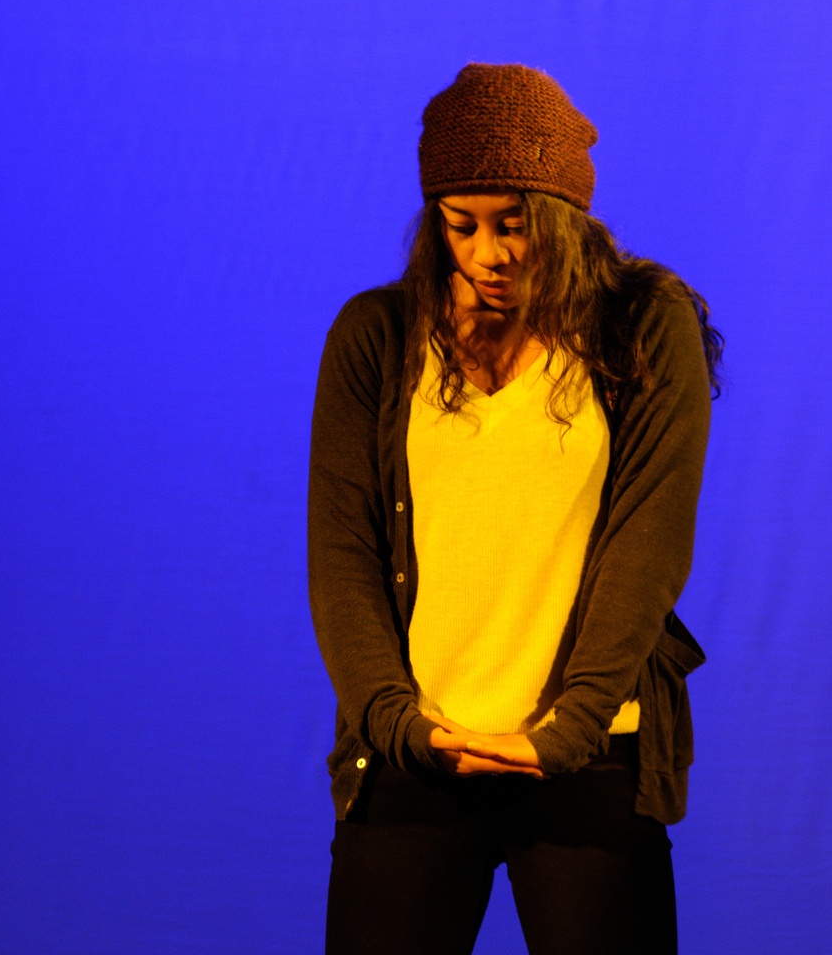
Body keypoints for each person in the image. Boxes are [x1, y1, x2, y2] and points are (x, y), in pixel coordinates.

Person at [308, 63, 722, 955]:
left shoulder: (642, 326)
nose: (489, 252)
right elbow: (341, 557)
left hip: (591, 753)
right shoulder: (376, 337)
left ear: (565, 217)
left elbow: (650, 544)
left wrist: (568, 731)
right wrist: (398, 723)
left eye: (515, 223)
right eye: (462, 224)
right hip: (416, 752)